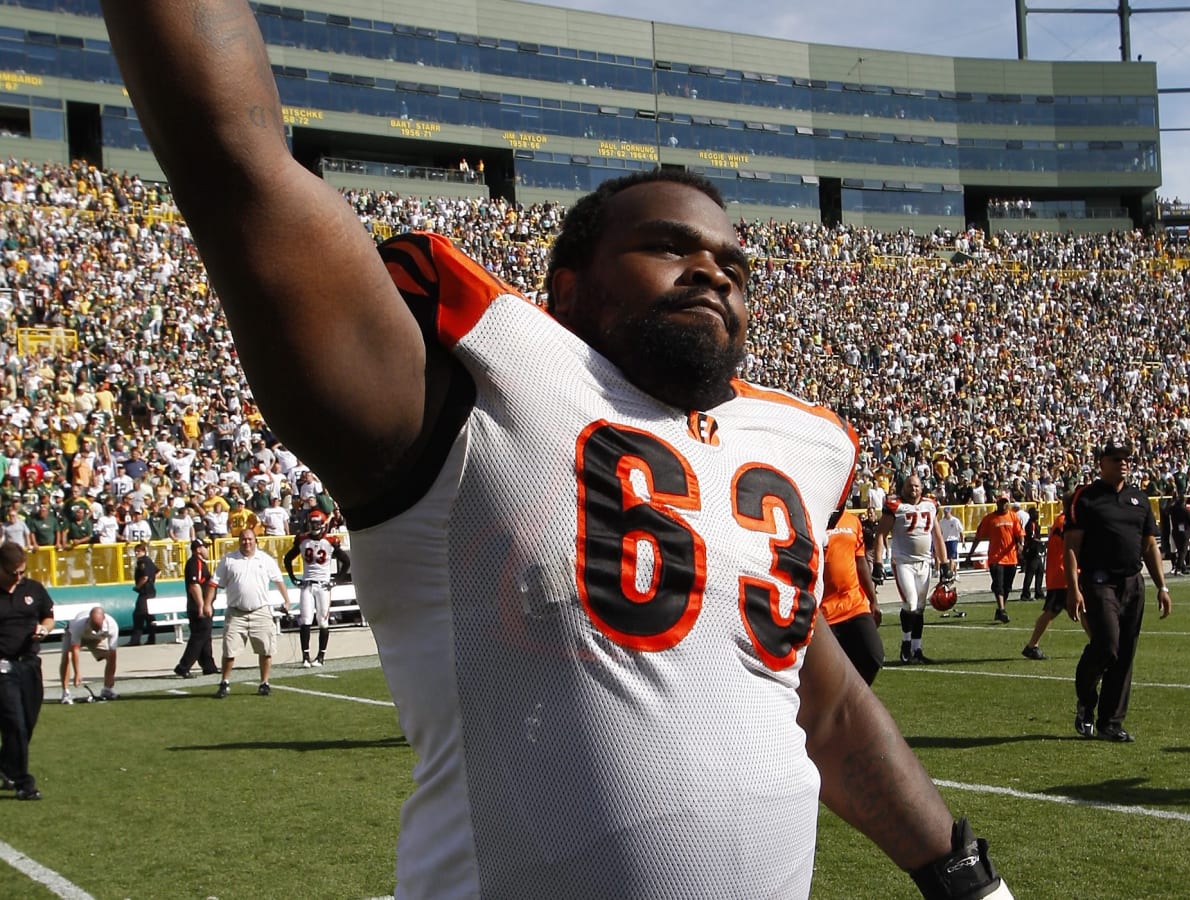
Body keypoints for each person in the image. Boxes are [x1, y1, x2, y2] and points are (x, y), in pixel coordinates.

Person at [100, 7, 1011, 894]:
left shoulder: (784, 450)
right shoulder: (470, 400)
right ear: (566, 291)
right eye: (667, 247)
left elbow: (832, 707)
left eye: (735, 267)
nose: (713, 272)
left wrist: (964, 878)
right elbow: (237, 170)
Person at [1065, 440, 1171, 743]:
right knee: (1107, 645)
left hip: (1132, 580)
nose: (1123, 463)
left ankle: (1110, 722)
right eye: (1115, 459)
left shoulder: (1139, 498)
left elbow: (1149, 545)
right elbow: (1071, 546)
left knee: (1125, 654)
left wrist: (1161, 586)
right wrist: (1073, 588)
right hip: (1099, 580)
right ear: (1102, 463)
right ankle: (1086, 698)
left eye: (1127, 459)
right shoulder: (1086, 498)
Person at [874, 474, 950, 664]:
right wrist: (877, 562)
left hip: (925, 563)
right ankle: (906, 645)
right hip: (903, 562)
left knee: (920, 608)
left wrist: (945, 563)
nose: (913, 489)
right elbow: (881, 534)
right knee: (911, 603)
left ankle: (917, 648)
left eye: (916, 486)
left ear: (921, 488)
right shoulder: (895, 506)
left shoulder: (930, 505)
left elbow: (937, 536)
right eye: (909, 486)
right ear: (903, 488)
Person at [207, 529, 291, 698]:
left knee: (266, 649)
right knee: (229, 651)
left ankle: (264, 682)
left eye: (250, 539)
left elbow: (278, 580)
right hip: (236, 612)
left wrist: (287, 600)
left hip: (260, 611)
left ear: (255, 541)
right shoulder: (229, 560)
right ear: (239, 541)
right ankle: (225, 682)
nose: (247, 542)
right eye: (244, 539)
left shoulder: (265, 559)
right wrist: (208, 603)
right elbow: (214, 582)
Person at [0, 541, 55, 800]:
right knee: (15, 723)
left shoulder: (33, 589)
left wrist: (44, 629)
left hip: (30, 663)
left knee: (28, 722)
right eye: (13, 573)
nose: (18, 577)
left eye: (21, 572)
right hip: (2, 666)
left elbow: (48, 616)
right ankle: (24, 783)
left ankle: (6, 767)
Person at [822, 507, 884, 684]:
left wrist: (873, 600)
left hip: (854, 604)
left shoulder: (852, 521)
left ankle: (853, 698)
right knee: (828, 672)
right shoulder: (812, 520)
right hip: (824, 611)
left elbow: (860, 560)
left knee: (873, 656)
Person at [283, 508, 349, 667]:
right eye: (312, 523)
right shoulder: (302, 539)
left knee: (322, 621)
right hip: (307, 584)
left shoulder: (330, 541)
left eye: (317, 523)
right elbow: (287, 559)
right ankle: (305, 657)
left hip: (323, 586)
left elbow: (346, 562)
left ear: (322, 524)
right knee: (305, 620)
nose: (314, 527)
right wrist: (293, 578)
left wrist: (336, 581)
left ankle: (320, 657)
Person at [1021, 511, 1085, 660]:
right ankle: (1031, 645)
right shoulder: (1066, 522)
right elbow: (1072, 547)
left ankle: (1032, 646)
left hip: (1061, 573)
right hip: (1064, 574)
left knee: (1058, 611)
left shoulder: (1061, 521)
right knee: (1058, 611)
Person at [966, 494, 1023, 623]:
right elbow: (978, 537)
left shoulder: (1013, 516)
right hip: (996, 557)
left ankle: (1000, 608)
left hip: (1011, 557)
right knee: (999, 584)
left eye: (1006, 502)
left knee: (1007, 586)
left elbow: (1019, 534)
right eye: (1001, 502)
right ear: (997, 503)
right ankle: (1002, 610)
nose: (1004, 505)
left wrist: (1020, 545)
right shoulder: (989, 519)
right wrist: (970, 554)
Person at [174, 539, 220, 678]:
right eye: (205, 547)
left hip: (203, 605)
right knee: (199, 637)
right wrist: (202, 605)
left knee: (205, 637)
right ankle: (183, 666)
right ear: (198, 549)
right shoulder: (195, 563)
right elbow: (194, 585)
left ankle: (208, 666)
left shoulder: (200, 563)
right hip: (199, 606)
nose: (207, 549)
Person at [59, 606, 120, 703]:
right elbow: (75, 649)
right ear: (89, 619)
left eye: (98, 626)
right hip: (75, 635)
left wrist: (111, 677)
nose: (95, 628)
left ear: (104, 619)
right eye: (93, 625)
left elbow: (113, 653)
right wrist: (77, 673)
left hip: (96, 639)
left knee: (109, 656)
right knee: (67, 656)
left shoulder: (112, 625)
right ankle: (65, 693)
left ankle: (107, 689)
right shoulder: (78, 625)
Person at [128, 542, 159, 646]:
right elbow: (158, 572)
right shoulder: (149, 560)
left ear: (144, 552)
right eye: (136, 551)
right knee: (149, 615)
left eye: (139, 551)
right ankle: (151, 638)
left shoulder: (142, 562)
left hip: (145, 591)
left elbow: (144, 577)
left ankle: (135, 640)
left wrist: (138, 586)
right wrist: (152, 580)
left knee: (138, 615)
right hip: (151, 590)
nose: (137, 553)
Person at [1162, 487, 1190, 575]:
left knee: (1181, 550)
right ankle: (1179, 567)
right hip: (1184, 532)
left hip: (1175, 531)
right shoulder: (1185, 510)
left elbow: (1166, 510)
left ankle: (1183, 568)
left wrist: (1172, 501)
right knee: (1183, 551)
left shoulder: (1173, 509)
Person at [1017, 507, 1045, 601]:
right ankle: (1025, 594)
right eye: (1036, 513)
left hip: (1035, 551)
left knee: (1040, 571)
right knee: (1030, 572)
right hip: (1031, 551)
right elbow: (1032, 537)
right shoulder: (1031, 524)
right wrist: (1041, 543)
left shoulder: (1035, 524)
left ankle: (1038, 592)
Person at [939, 504, 964, 580]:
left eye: (947, 512)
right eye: (945, 512)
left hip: (953, 540)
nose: (946, 513)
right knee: (947, 558)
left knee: (951, 558)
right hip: (945, 540)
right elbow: (940, 532)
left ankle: (950, 573)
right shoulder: (941, 521)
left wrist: (963, 541)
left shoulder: (955, 520)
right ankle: (955, 573)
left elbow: (961, 531)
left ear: (950, 512)